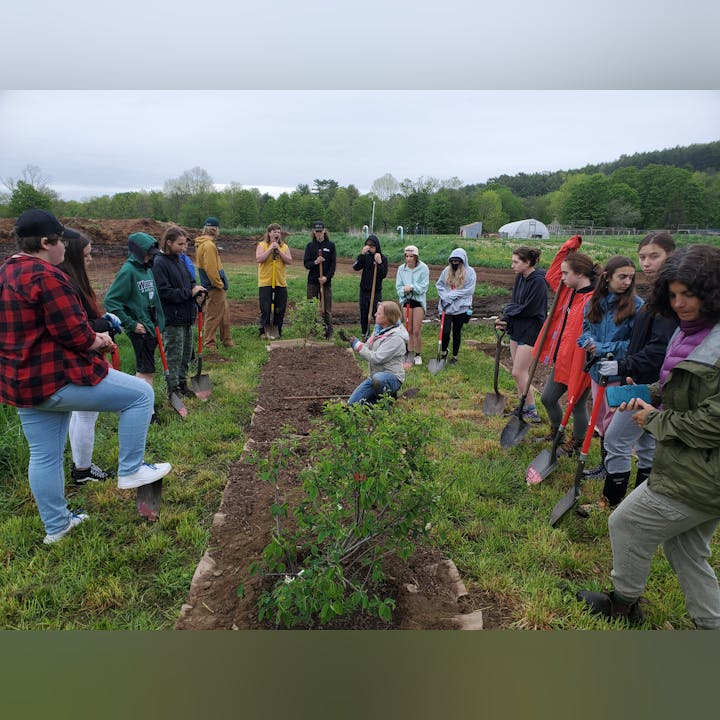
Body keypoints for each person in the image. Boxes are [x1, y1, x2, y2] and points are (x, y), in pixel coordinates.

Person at [0, 209, 171, 544]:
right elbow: (75, 334)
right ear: (47, 242)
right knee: (140, 395)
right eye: (61, 240)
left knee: (44, 455)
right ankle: (131, 469)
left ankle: (57, 527)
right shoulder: (47, 276)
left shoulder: (6, 271)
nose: (65, 246)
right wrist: (100, 339)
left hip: (20, 382)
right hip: (56, 377)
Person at [577, 244, 720, 629]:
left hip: (702, 474)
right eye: (673, 295)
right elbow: (674, 388)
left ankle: (623, 603)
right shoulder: (690, 333)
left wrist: (655, 418)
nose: (680, 304)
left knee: (625, 523)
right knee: (686, 550)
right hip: (689, 462)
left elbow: (713, 421)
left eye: (689, 294)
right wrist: (645, 393)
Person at [584, 233, 677, 510]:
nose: (646, 263)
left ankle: (610, 502)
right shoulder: (659, 294)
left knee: (615, 439)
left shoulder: (670, 300)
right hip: (648, 380)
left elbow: (659, 350)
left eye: (654, 256)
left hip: (652, 383)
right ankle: (641, 501)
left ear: (671, 256)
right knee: (647, 442)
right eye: (642, 257)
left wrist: (624, 364)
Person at [57, 231, 119, 484]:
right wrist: (105, 322)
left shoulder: (71, 281)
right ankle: (82, 469)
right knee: (86, 414)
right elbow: (77, 325)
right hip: (79, 361)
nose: (91, 259)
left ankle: (80, 466)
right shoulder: (67, 284)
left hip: (77, 359)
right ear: (72, 256)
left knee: (80, 414)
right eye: (86, 255)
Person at [575, 255, 643, 481]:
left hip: (618, 372)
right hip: (597, 371)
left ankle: (612, 469)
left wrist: (602, 347)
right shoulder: (595, 302)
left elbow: (634, 344)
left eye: (630, 278)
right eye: (622, 277)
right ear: (607, 277)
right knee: (601, 419)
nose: (626, 282)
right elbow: (586, 327)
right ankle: (605, 466)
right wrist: (586, 340)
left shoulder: (637, 306)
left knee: (613, 423)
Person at [535, 236, 600, 455]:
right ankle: (557, 430)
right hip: (563, 358)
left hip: (581, 363)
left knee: (577, 404)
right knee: (548, 398)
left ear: (579, 274)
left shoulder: (594, 301)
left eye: (566, 273)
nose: (561, 277)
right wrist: (567, 249)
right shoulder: (568, 292)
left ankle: (578, 441)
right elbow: (551, 274)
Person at [104, 232, 166, 393]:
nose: (150, 258)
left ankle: (145, 403)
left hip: (152, 325)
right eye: (148, 254)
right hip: (140, 329)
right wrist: (130, 324)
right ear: (139, 253)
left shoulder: (147, 269)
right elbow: (111, 300)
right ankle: (146, 409)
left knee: (149, 369)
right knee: (146, 370)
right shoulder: (128, 271)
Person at [152, 226, 206, 396]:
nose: (184, 248)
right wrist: (188, 293)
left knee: (186, 353)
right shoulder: (159, 262)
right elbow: (164, 292)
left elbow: (190, 281)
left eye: (185, 244)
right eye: (180, 244)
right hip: (172, 317)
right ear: (169, 242)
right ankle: (172, 387)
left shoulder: (180, 260)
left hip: (187, 314)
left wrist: (196, 289)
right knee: (174, 353)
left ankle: (182, 383)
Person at [495, 247, 547, 422]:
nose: (512, 265)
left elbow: (530, 309)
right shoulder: (520, 278)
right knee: (518, 373)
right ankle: (522, 407)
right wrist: (506, 319)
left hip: (531, 330)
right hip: (517, 328)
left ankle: (532, 410)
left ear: (528, 263)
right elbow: (515, 303)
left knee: (519, 372)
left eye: (516, 262)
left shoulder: (539, 282)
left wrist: (509, 311)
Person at [346, 301, 409, 405]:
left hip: (391, 377)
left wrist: (358, 346)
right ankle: (377, 399)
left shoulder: (395, 338)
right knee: (352, 404)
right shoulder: (379, 330)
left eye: (379, 313)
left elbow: (376, 358)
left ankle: (387, 400)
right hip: (374, 377)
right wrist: (356, 343)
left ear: (388, 318)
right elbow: (367, 347)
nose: (375, 314)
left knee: (379, 380)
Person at [194, 217, 233, 349]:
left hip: (215, 286)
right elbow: (210, 269)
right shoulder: (209, 245)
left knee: (224, 315)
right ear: (216, 229)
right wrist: (219, 284)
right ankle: (209, 344)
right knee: (213, 315)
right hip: (214, 287)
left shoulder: (205, 243)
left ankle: (226, 340)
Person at [435, 248, 476, 365]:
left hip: (461, 308)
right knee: (445, 331)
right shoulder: (446, 271)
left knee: (457, 331)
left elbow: (468, 290)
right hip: (446, 307)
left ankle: (455, 356)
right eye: (452, 261)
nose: (454, 264)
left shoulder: (470, 272)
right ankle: (444, 351)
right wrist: (444, 296)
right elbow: (439, 285)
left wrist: (451, 296)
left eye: (457, 261)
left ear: (463, 261)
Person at [395, 245, 429, 366]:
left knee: (416, 330)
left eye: (411, 256)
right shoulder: (401, 269)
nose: (408, 259)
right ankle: (409, 352)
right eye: (407, 256)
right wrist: (404, 290)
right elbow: (398, 287)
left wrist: (412, 287)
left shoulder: (423, 268)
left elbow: (424, 287)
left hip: (418, 301)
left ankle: (418, 354)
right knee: (408, 329)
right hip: (406, 301)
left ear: (416, 257)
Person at [256, 223, 292, 338]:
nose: (276, 233)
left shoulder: (284, 247)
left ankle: (277, 330)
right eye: (274, 231)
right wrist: (271, 248)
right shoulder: (262, 245)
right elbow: (259, 258)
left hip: (280, 282)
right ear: (269, 233)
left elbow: (289, 261)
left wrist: (279, 250)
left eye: (278, 231)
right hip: (265, 281)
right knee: (265, 308)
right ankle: (263, 331)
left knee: (279, 308)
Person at [303, 220, 336, 339]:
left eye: (320, 231)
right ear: (313, 232)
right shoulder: (310, 246)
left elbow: (333, 265)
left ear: (324, 231)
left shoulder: (330, 246)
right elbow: (306, 264)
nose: (318, 234)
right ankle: (312, 332)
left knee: (326, 309)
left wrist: (326, 277)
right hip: (312, 282)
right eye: (316, 231)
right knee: (311, 307)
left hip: (326, 283)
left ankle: (329, 333)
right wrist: (316, 262)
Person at [353, 234, 388, 338]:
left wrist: (380, 262)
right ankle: (365, 333)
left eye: (372, 247)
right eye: (368, 246)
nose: (370, 248)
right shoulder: (365, 257)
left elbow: (383, 274)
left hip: (375, 291)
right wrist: (361, 255)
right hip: (364, 290)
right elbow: (356, 267)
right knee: (364, 312)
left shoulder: (382, 258)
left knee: (377, 313)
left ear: (376, 246)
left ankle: (378, 333)